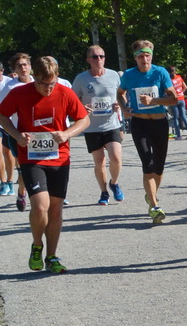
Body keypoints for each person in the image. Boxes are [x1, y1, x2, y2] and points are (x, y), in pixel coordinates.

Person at [0, 54, 90, 273]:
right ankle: (37, 245)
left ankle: (52, 256)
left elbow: (84, 119)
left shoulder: (65, 92)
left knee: (56, 209)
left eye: (52, 83)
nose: (48, 89)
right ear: (35, 77)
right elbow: (2, 116)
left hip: (59, 158)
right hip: (31, 158)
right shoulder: (19, 93)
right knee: (41, 206)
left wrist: (67, 133)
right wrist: (16, 135)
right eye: (43, 84)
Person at [118, 41, 177, 223]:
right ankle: (154, 206)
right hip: (140, 124)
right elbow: (120, 93)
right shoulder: (129, 75)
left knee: (159, 167)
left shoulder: (160, 72)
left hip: (159, 123)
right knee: (148, 163)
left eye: (148, 55)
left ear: (152, 55)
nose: (145, 59)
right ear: (135, 57)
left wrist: (154, 101)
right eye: (141, 56)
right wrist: (124, 107)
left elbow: (174, 99)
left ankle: (151, 195)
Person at [73, 44, 125, 204]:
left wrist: (120, 105)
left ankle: (114, 183)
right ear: (88, 59)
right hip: (92, 126)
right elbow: (73, 101)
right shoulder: (81, 79)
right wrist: (82, 107)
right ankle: (103, 192)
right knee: (99, 161)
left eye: (101, 56)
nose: (99, 60)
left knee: (115, 157)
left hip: (112, 123)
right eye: (95, 57)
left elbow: (122, 94)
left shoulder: (114, 75)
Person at [0, 52, 34, 207]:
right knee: (24, 167)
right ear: (14, 69)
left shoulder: (38, 83)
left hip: (38, 133)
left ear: (30, 67)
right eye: (19, 66)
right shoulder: (10, 87)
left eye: (25, 64)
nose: (23, 68)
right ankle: (22, 191)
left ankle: (47, 193)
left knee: (43, 164)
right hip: (18, 133)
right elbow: (3, 113)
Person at [169, 70, 187, 139]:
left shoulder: (170, 80)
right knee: (184, 116)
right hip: (182, 98)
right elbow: (185, 87)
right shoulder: (179, 77)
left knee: (176, 118)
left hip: (175, 99)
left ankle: (179, 135)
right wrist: (181, 93)